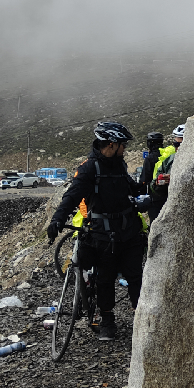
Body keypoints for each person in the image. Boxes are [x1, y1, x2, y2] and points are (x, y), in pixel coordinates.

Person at [46, 121, 146, 341]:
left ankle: (142, 318)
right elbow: (71, 197)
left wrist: (150, 187)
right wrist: (57, 220)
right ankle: (107, 322)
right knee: (105, 279)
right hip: (103, 235)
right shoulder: (89, 169)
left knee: (135, 276)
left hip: (128, 232)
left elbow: (131, 187)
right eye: (123, 145)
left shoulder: (119, 165)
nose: (125, 149)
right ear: (111, 145)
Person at [149, 124, 184, 221]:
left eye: (180, 144)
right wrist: (159, 183)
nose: (177, 148)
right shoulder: (169, 160)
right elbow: (154, 186)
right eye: (175, 144)